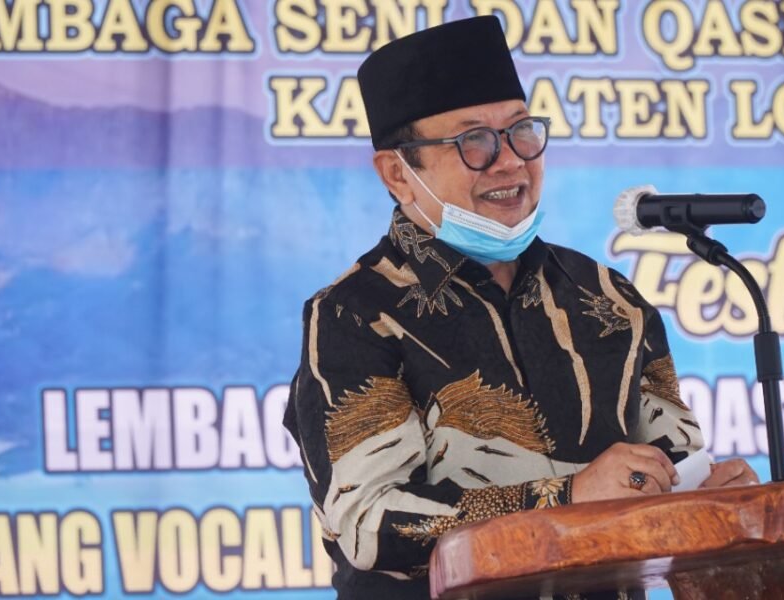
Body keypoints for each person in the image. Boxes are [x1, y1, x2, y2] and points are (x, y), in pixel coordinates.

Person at [284, 16, 758, 600]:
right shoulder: (355, 315)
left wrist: (708, 497)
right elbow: (372, 523)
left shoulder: (606, 297)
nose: (510, 160)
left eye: (522, 131)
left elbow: (667, 466)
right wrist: (568, 498)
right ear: (398, 174)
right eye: (474, 142)